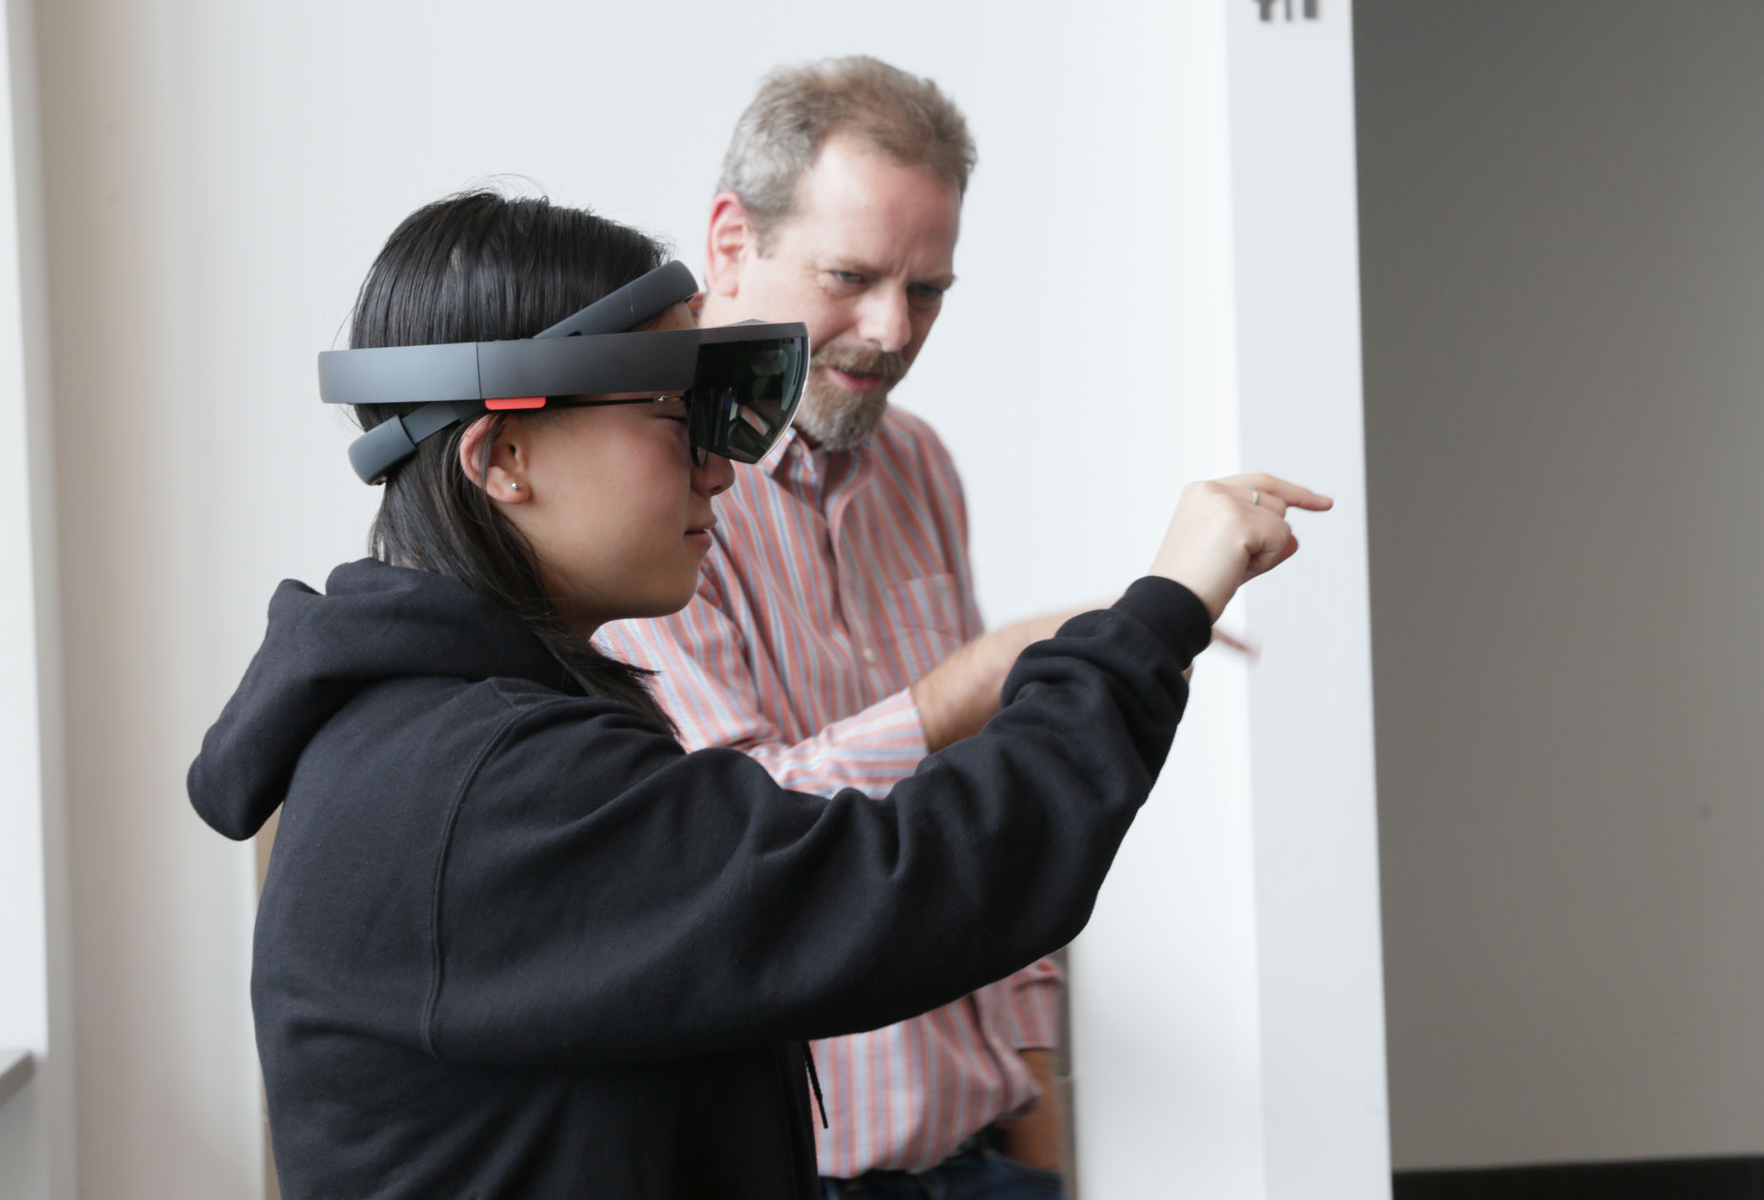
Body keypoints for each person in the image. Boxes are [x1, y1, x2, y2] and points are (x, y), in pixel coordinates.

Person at [186, 189, 1328, 1199]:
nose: (719, 465)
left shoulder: (469, 731)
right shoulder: (484, 784)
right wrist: (1163, 607)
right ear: (502, 460)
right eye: (673, 417)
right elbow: (909, 880)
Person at [595, 57, 1176, 1195]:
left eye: (928, 291)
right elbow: (734, 838)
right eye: (851, 275)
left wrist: (1034, 1112)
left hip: (983, 1155)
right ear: (728, 242)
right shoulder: (638, 488)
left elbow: (986, 814)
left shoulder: (920, 467)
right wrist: (968, 683)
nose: (887, 330)